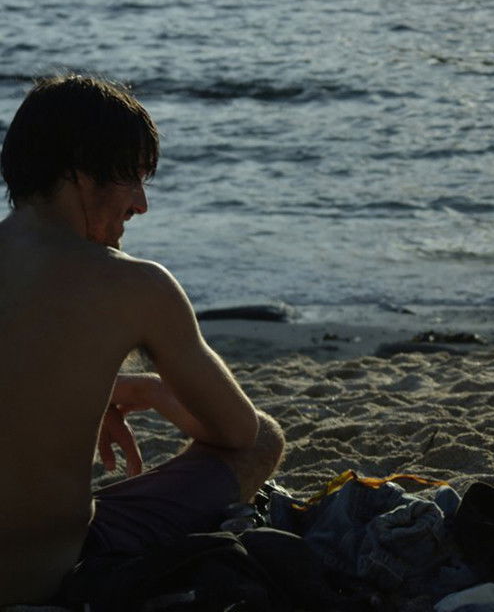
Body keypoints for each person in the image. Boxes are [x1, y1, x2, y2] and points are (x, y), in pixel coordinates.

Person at [0, 75, 286, 605]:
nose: (142, 204)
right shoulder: (135, 286)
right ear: (81, 171)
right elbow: (237, 431)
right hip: (38, 576)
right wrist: (152, 390)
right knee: (264, 437)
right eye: (132, 176)